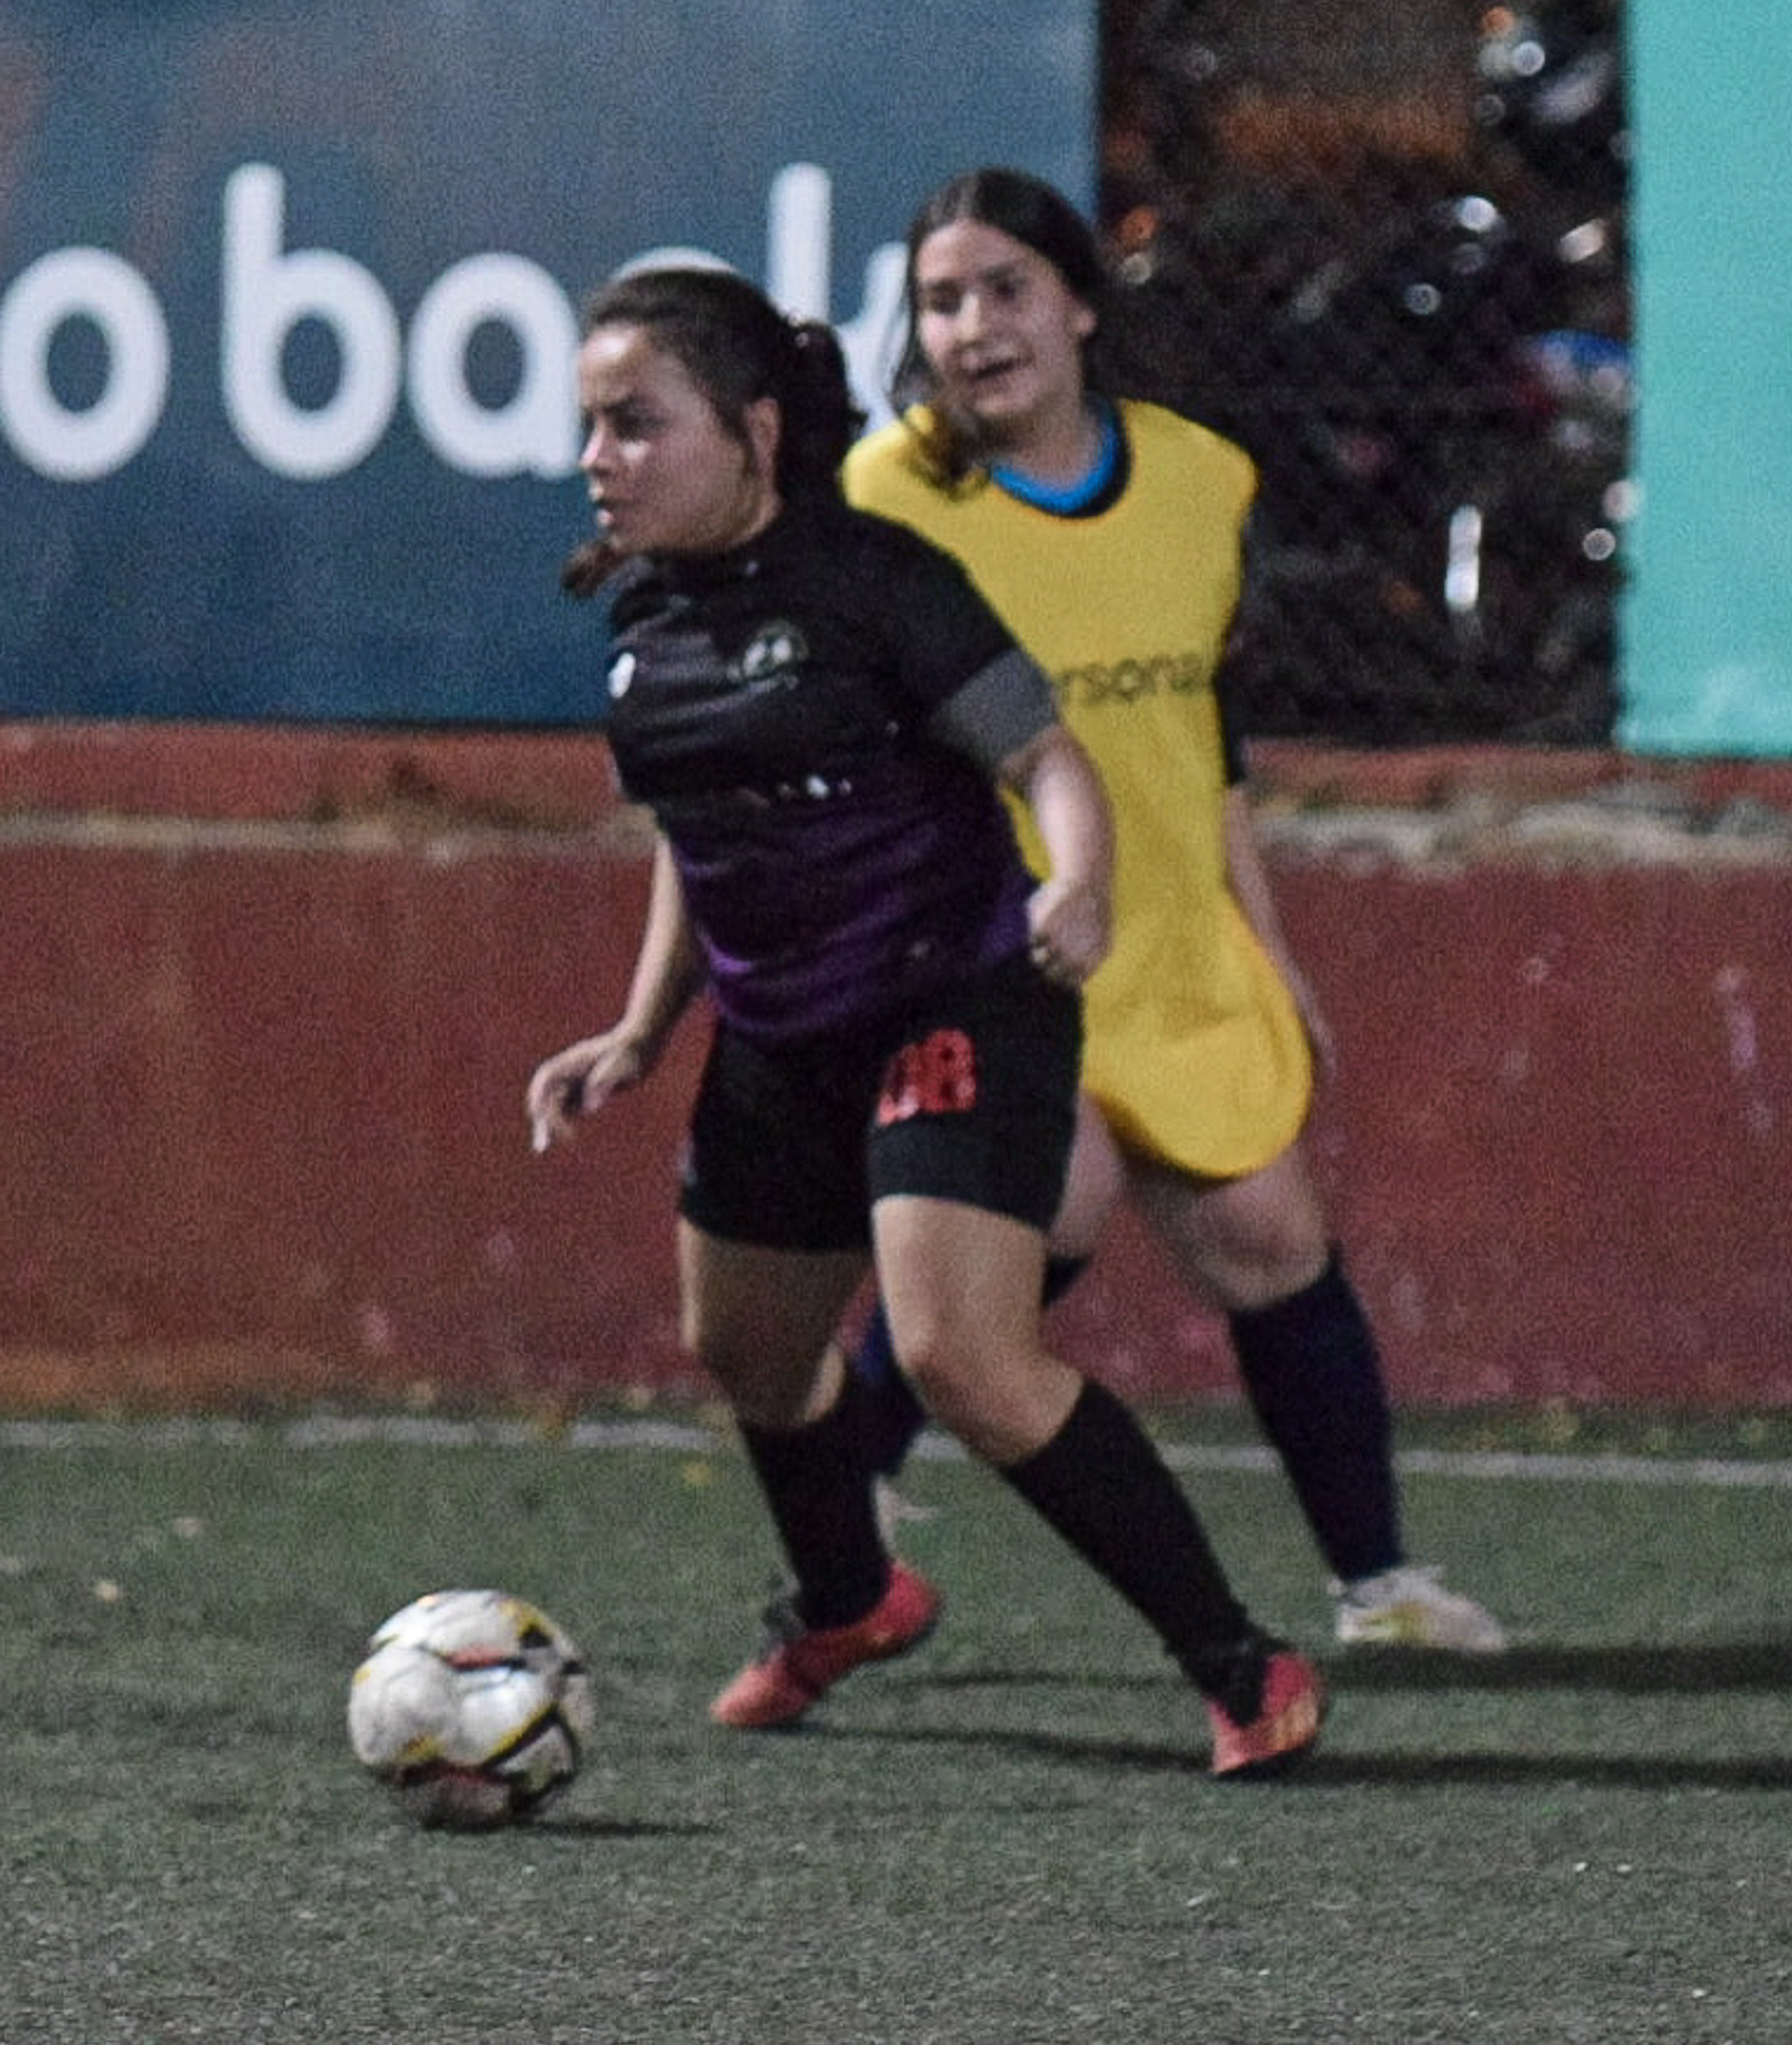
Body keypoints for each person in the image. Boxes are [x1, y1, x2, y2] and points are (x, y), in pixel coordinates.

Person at [527, 264, 1324, 1777]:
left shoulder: (878, 582)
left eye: (635, 423)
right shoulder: (644, 632)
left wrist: (1080, 881)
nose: (598, 460)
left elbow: (1047, 759)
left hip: (953, 1001)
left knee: (964, 1355)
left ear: (756, 430)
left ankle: (1243, 1664)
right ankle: (852, 1602)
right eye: (589, 428)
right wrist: (639, 1029)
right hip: (780, 1041)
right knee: (748, 1352)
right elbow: (702, 841)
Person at [840, 167, 1504, 1653]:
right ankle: (848, 1512)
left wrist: (1266, 947)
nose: (974, 327)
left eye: (1007, 289)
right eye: (941, 301)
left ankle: (1380, 1588)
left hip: (1173, 947)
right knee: (1051, 1201)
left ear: (1080, 304)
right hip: (998, 955)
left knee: (1272, 1238)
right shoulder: (887, 500)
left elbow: (1204, 744)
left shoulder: (1202, 480)